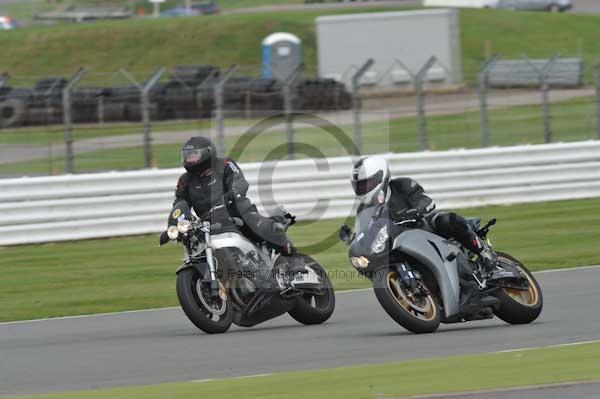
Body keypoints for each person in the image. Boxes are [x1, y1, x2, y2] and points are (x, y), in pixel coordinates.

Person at [349, 156, 497, 272]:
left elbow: (427, 202)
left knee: (446, 220)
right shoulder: (363, 210)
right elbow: (366, 231)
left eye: (366, 184)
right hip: (399, 243)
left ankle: (483, 251)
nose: (363, 189)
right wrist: (354, 239)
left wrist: (414, 211)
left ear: (380, 177)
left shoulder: (402, 185)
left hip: (424, 227)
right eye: (360, 186)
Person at [173, 136, 299, 262]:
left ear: (208, 152)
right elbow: (179, 203)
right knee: (194, 244)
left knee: (259, 226)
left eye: (194, 155)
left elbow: (239, 182)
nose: (189, 159)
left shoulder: (225, 164)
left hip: (237, 212)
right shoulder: (184, 180)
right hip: (207, 223)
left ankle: (293, 259)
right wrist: (174, 224)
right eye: (187, 155)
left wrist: (231, 196)